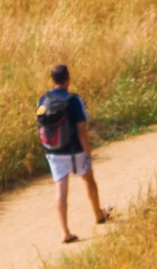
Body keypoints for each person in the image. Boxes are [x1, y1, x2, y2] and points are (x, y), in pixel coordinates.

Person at [36, 63, 106, 243]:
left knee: (61, 189)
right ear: (68, 79)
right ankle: (98, 214)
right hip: (75, 151)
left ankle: (65, 232)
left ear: (52, 80)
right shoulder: (74, 100)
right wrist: (88, 154)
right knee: (89, 181)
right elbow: (82, 131)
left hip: (53, 151)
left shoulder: (42, 100)